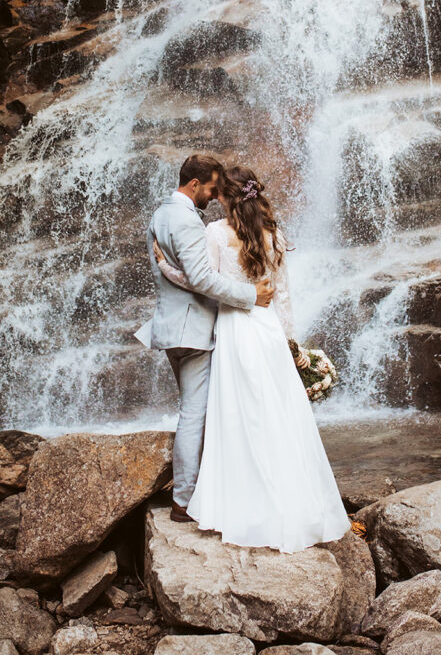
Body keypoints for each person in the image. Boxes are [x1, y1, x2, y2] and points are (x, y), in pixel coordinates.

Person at [151, 164, 351, 553]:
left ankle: (245, 504)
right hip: (270, 331)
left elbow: (201, 281)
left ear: (225, 197)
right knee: (280, 415)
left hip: (236, 330)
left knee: (241, 418)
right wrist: (293, 345)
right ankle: (295, 503)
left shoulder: (216, 233)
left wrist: (165, 267)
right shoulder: (275, 235)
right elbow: (285, 294)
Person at [137, 154, 276, 523]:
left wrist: (166, 266)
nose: (215, 197)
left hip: (171, 327)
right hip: (195, 329)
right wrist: (251, 297)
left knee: (198, 411)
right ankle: (184, 501)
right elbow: (200, 279)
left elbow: (176, 273)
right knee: (195, 415)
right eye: (212, 189)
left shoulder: (160, 214)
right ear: (194, 184)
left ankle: (210, 487)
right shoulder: (186, 220)